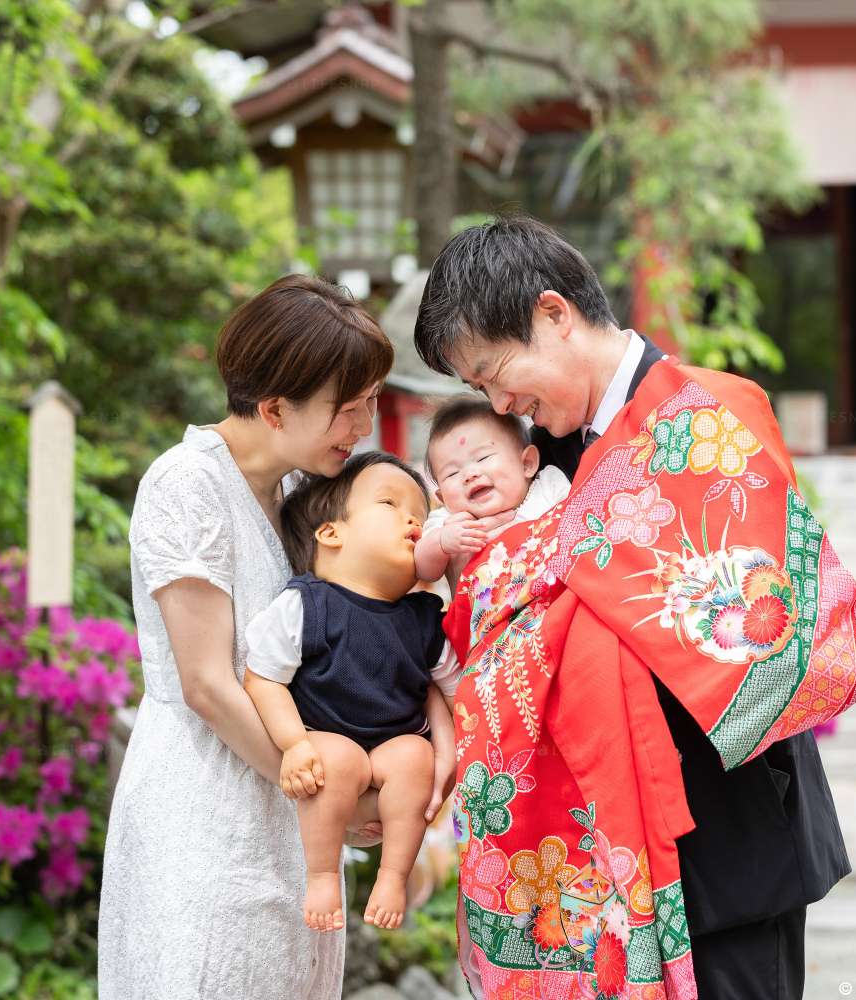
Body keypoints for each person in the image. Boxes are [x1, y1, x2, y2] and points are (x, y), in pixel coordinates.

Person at [413, 217, 856, 1000]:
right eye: (479, 390)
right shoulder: (541, 461)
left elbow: (766, 635)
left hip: (730, 836)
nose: (501, 401)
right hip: (605, 865)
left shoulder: (710, 413)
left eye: (494, 371)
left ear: (553, 313)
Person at [99, 275, 454, 1000]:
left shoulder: (300, 497)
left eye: (369, 405)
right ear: (273, 408)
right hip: (204, 805)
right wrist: (331, 797)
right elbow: (206, 683)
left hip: (297, 808)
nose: (361, 428)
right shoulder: (186, 485)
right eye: (346, 411)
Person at [242, 451, 460, 934]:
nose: (412, 519)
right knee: (335, 761)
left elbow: (455, 688)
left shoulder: (422, 617)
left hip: (395, 741)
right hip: (327, 735)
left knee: (412, 759)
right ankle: (321, 875)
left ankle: (393, 875)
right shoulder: (308, 604)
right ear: (331, 533)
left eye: (420, 517)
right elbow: (262, 677)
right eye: (390, 503)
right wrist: (294, 744)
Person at [414, 396, 570, 592]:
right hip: (487, 619)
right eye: (452, 473)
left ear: (527, 463)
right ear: (443, 498)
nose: (470, 475)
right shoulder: (450, 522)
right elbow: (424, 570)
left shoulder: (548, 487)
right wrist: (442, 543)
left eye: (483, 458)